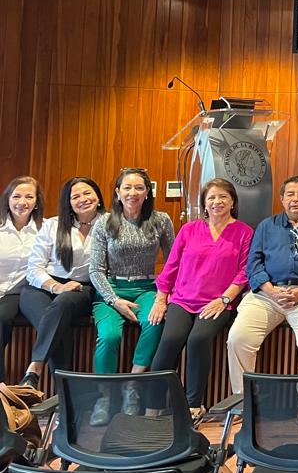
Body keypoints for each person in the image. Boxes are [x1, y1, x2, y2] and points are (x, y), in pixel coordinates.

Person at [227, 175, 298, 424]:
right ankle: (245, 401)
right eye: (290, 194)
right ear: (282, 199)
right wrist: (270, 290)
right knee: (238, 337)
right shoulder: (267, 226)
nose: (295, 199)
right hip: (268, 295)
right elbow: (253, 264)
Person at [149, 178, 253, 414]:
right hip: (183, 299)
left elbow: (244, 271)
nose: (217, 202)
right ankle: (153, 406)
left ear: (233, 201)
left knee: (198, 339)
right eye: (211, 197)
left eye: (223, 197)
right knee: (170, 340)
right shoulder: (189, 229)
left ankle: (193, 405)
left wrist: (224, 299)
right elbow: (171, 265)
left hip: (220, 302)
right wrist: (160, 298)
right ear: (204, 204)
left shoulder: (244, 232)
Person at [88, 168, 175, 416]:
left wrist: (164, 295)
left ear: (147, 193)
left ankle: (133, 385)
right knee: (109, 336)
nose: (132, 193)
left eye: (139, 188)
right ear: (117, 192)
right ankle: (104, 397)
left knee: (155, 322)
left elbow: (173, 262)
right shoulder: (104, 222)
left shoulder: (161, 220)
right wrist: (115, 300)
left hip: (147, 288)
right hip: (111, 290)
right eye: (127, 188)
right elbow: (95, 270)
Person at [21, 177, 103, 388]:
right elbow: (34, 268)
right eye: (75, 196)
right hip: (41, 286)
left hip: (80, 287)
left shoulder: (109, 224)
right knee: (57, 324)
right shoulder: (53, 225)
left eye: (87, 193)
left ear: (98, 196)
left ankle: (34, 369)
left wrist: (64, 289)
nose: (83, 199)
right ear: (68, 203)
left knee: (62, 306)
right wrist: (56, 286)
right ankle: (64, 397)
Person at [0, 176, 43, 375]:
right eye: (16, 196)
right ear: (8, 200)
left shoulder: (45, 230)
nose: (22, 202)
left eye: (29, 197)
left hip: (18, 293)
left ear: (36, 202)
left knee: (1, 318)